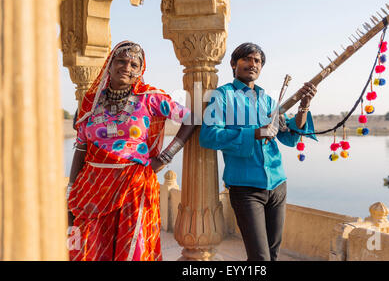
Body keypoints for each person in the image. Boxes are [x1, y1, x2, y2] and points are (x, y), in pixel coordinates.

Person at [67, 41, 196, 261]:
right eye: (121, 61)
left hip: (133, 184)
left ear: (139, 71)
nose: (127, 67)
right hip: (92, 185)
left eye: (134, 64)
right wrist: (70, 191)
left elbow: (192, 118)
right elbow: (81, 148)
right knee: (88, 246)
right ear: (110, 64)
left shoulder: (148, 97)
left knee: (132, 247)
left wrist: (165, 157)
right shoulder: (90, 102)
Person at [199, 42, 318, 261]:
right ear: (234, 63)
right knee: (259, 258)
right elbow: (208, 136)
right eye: (247, 59)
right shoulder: (223, 95)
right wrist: (255, 133)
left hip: (277, 185)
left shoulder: (268, 101)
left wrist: (304, 105)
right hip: (245, 188)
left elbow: (289, 136)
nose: (253, 64)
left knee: (272, 255)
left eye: (258, 61)